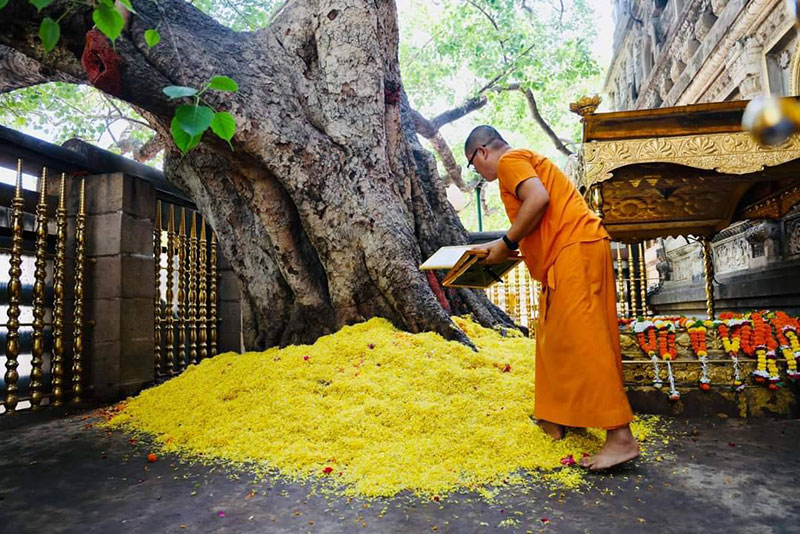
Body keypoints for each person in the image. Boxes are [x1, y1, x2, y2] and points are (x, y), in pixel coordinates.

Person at [464, 125, 638, 470]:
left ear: (482, 152)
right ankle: (557, 417)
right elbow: (539, 222)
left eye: (472, 164)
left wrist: (505, 243)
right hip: (568, 253)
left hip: (573, 250)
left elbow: (538, 199)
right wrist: (498, 249)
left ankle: (621, 438)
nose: (478, 173)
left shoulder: (510, 161)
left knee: (584, 338)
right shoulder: (522, 161)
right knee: (554, 337)